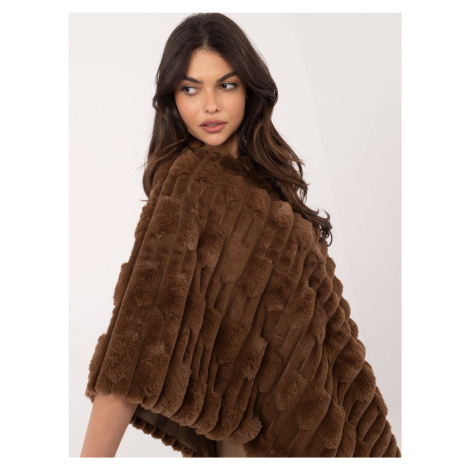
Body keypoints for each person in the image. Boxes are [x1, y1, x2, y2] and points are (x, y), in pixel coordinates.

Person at [81, 13, 400, 458]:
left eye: (226, 85)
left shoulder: (270, 183)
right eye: (191, 89)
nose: (210, 105)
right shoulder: (188, 186)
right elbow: (135, 341)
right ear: (173, 99)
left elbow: (326, 337)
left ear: (249, 89)